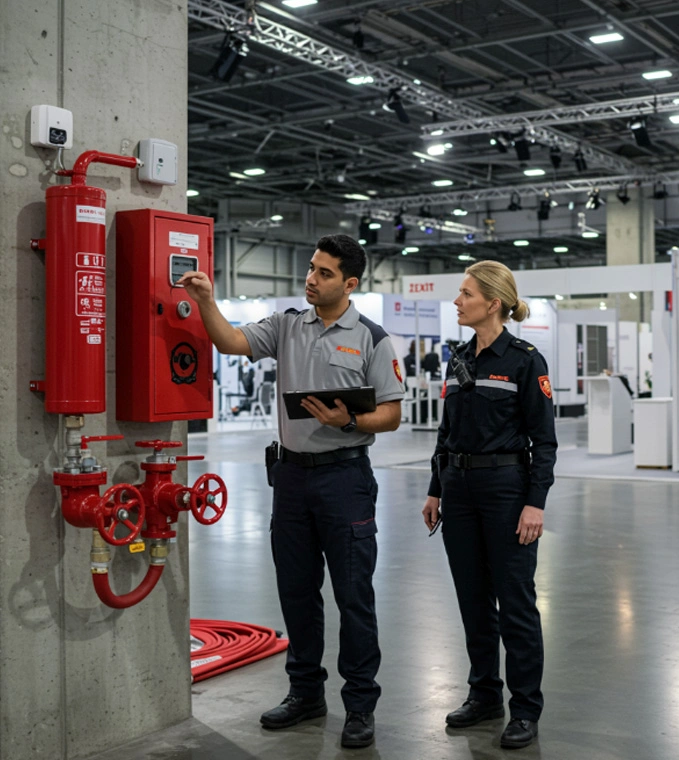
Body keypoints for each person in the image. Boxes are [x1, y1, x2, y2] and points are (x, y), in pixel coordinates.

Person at [179, 234, 405, 750]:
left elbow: (391, 414)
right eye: (310, 268)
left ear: (349, 284)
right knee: (297, 593)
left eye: (324, 273)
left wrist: (351, 420)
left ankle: (360, 705)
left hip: (345, 479)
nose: (310, 278)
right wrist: (207, 302)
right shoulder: (286, 325)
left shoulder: (372, 338)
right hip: (292, 479)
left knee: (353, 598)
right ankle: (305, 694)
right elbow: (232, 342)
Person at [421, 260, 557, 750]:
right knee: (473, 599)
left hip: (506, 490)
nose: (457, 301)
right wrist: (436, 487)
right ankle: (484, 695)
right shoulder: (458, 358)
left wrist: (534, 504)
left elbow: (544, 441)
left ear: (492, 302)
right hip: (458, 491)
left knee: (515, 602)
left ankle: (524, 708)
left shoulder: (524, 360)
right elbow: (445, 432)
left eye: (465, 294)